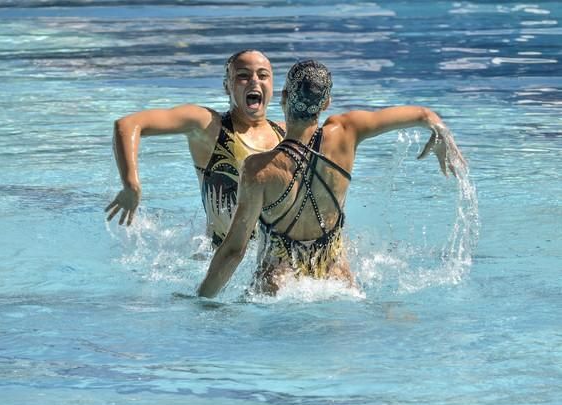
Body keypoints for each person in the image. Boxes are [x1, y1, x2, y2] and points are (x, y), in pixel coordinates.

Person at [197, 60, 466, 298]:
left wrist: (201, 300)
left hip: (278, 288)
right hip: (337, 283)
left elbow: (234, 251)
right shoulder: (346, 132)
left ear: (284, 97)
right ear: (326, 103)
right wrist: (440, 132)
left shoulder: (258, 169)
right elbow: (422, 114)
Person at [105, 50, 286, 247]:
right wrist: (131, 185)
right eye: (243, 75)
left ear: (272, 84)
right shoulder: (209, 126)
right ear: (227, 86)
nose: (254, 81)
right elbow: (128, 124)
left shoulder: (286, 134)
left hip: (273, 259)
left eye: (263, 75)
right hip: (218, 256)